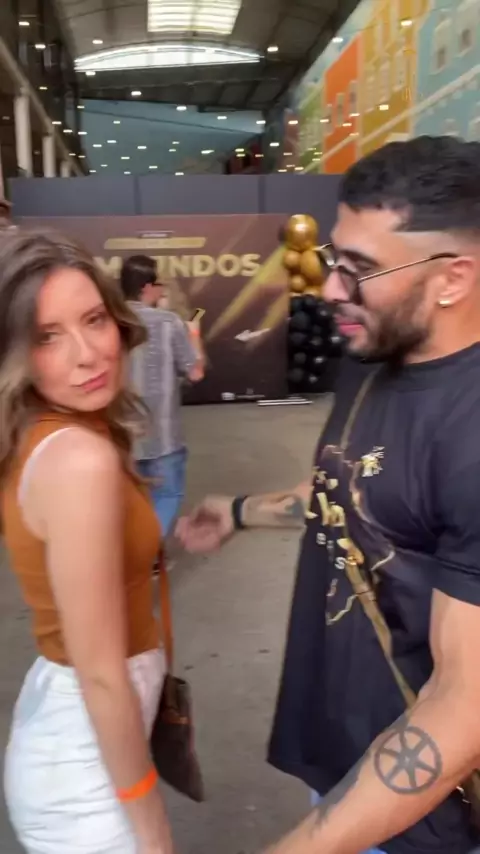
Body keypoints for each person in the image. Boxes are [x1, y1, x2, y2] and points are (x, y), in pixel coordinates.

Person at [177, 136, 480, 854]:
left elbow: (462, 704)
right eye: (333, 260)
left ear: (453, 278)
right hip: (342, 755)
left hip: (420, 812)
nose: (331, 288)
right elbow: (359, 491)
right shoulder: (374, 357)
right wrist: (244, 511)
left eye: (360, 269)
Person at [0, 229, 174, 854]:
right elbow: (101, 676)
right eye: (47, 336)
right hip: (86, 773)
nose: (87, 354)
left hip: (74, 732)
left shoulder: (45, 431)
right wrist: (151, 827)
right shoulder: (77, 458)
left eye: (94, 319)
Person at [120, 254, 205, 538]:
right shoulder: (170, 323)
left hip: (121, 436)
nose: (162, 290)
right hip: (164, 436)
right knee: (167, 494)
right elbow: (195, 372)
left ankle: (131, 549)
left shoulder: (109, 320)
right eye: (159, 284)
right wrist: (194, 334)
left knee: (127, 499)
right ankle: (149, 551)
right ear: (147, 287)